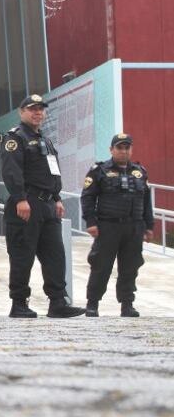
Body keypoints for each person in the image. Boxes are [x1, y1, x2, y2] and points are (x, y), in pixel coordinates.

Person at [1, 94, 85, 318]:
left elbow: (52, 172)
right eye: (32, 109)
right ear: (22, 112)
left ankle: (58, 302)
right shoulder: (15, 138)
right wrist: (20, 198)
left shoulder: (45, 140)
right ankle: (19, 303)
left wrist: (57, 198)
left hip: (47, 205)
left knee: (55, 255)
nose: (38, 112)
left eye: (41, 109)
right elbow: (12, 171)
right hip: (26, 203)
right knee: (22, 255)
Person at [80, 134, 154, 317]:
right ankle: (92, 304)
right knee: (101, 266)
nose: (123, 151)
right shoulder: (99, 170)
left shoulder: (140, 171)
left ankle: (127, 305)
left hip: (134, 227)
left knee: (130, 267)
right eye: (119, 147)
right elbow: (88, 197)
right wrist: (90, 222)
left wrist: (149, 226)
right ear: (111, 150)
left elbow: (146, 201)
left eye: (127, 147)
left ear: (131, 149)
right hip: (108, 227)